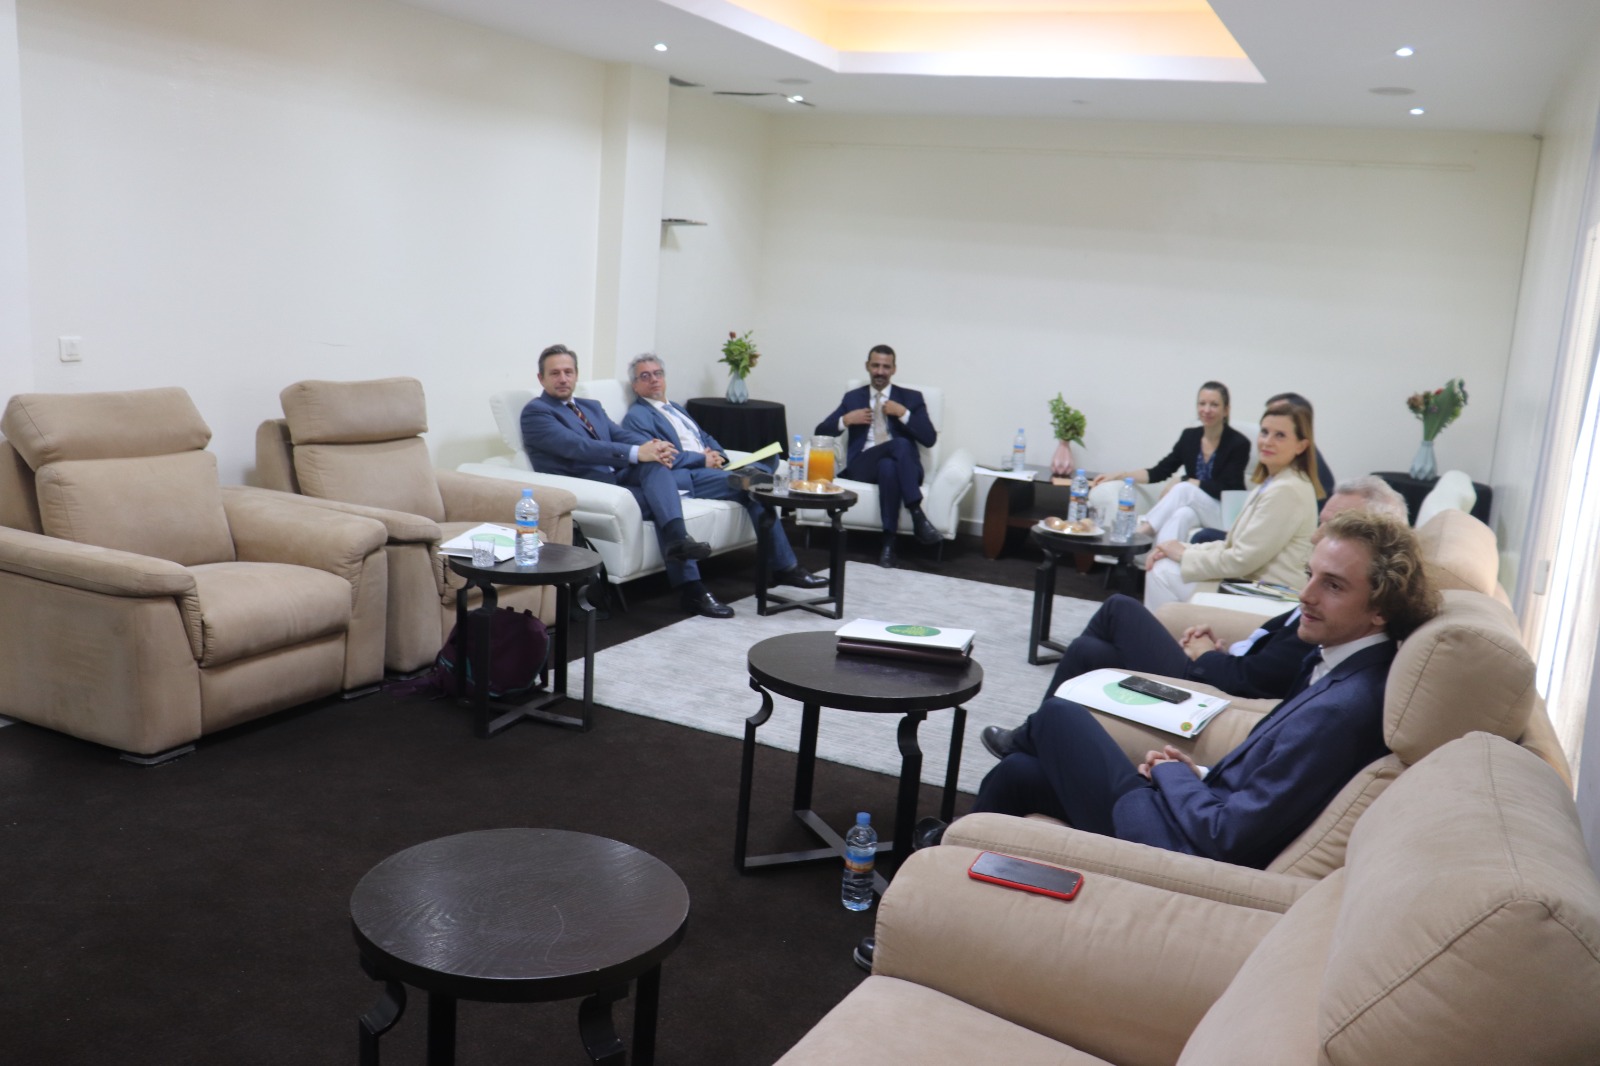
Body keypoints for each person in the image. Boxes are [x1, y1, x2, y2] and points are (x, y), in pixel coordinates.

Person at [948, 509, 1439, 869]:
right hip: (1185, 812)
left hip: (1172, 846)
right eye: (1310, 576)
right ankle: (945, 862)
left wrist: (1172, 777)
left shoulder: (1344, 710)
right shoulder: (1340, 665)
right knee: (1019, 773)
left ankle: (1023, 739)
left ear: (1381, 607)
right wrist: (1194, 773)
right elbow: (1260, 785)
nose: (1305, 596)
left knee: (1059, 716)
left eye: (1333, 586)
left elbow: (1229, 837)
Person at [1021, 475, 1410, 742]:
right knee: (1088, 651)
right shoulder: (1325, 597)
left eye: (1336, 525)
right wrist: (1225, 649)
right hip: (1222, 666)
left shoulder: (1336, 627)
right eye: (1324, 523)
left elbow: (1257, 681)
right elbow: (1267, 659)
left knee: (1119, 608)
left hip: (1210, 688)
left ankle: (1031, 736)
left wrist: (1208, 657)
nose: (1318, 535)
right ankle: (1035, 736)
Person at [519, 344, 731, 619]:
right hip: (588, 485)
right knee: (660, 500)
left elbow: (620, 435)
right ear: (541, 378)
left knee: (655, 465)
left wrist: (653, 446)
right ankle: (692, 587)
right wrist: (635, 453)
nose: (563, 378)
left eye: (568, 372)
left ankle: (678, 541)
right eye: (555, 373)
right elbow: (578, 447)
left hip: (615, 477)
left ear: (576, 375)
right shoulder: (536, 413)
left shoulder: (590, 406)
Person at [620, 353, 826, 598]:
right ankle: (786, 568)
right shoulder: (637, 417)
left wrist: (718, 455)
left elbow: (705, 437)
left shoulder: (674, 408)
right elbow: (658, 456)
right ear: (635, 385)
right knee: (754, 484)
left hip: (709, 468)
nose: (654, 379)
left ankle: (783, 563)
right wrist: (702, 459)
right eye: (645, 376)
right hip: (688, 475)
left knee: (762, 476)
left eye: (658, 374)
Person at [1143, 400, 1321, 611]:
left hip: (1269, 594)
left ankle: (1160, 632)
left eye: (1280, 435)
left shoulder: (1286, 490)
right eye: (1264, 432)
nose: (1267, 442)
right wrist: (1180, 548)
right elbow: (1232, 545)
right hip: (1252, 583)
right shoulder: (1274, 482)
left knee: (1161, 571)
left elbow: (1241, 560)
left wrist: (1182, 555)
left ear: (1301, 446)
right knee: (1166, 558)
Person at [815, 345, 941, 568]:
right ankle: (917, 514)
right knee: (898, 446)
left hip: (904, 468)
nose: (880, 372)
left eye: (886, 367)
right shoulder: (854, 398)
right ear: (867, 366)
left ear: (894, 369)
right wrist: (846, 420)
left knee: (888, 466)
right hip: (863, 466)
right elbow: (820, 431)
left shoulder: (911, 398)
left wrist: (903, 413)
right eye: (875, 366)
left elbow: (929, 438)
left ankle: (888, 545)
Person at [1088, 382, 1250, 544]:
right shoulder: (1190, 436)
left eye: (1214, 405)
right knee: (1182, 515)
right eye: (1202, 403)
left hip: (1224, 515)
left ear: (1226, 410)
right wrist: (1121, 475)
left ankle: (1141, 532)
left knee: (1184, 489)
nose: (1206, 410)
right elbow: (1160, 471)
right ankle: (1161, 559)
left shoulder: (1238, 443)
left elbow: (1229, 488)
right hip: (1197, 508)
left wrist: (1186, 480)